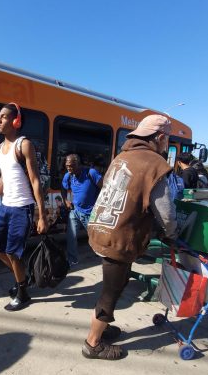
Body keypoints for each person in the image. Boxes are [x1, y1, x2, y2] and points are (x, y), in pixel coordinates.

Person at [83, 114, 178, 360]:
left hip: (101, 230)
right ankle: (93, 344)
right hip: (120, 237)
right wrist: (172, 234)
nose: (167, 144)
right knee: (110, 292)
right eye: (167, 139)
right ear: (159, 138)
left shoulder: (121, 158)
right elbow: (166, 213)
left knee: (119, 282)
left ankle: (102, 328)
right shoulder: (154, 164)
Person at [0, 103, 48, 311]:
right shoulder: (0, 148)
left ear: (16, 121)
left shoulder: (24, 144)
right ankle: (23, 278)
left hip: (22, 208)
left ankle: (23, 292)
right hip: (5, 207)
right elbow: (4, 178)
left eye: (3, 117)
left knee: (13, 253)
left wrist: (42, 215)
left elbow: (35, 180)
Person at [61, 154, 102, 266]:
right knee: (71, 236)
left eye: (71, 166)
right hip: (75, 211)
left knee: (96, 238)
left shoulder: (91, 173)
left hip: (90, 212)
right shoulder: (68, 176)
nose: (69, 168)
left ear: (78, 164)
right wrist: (65, 201)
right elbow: (63, 189)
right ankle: (72, 260)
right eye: (67, 166)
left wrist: (99, 206)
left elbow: (104, 188)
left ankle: (104, 256)